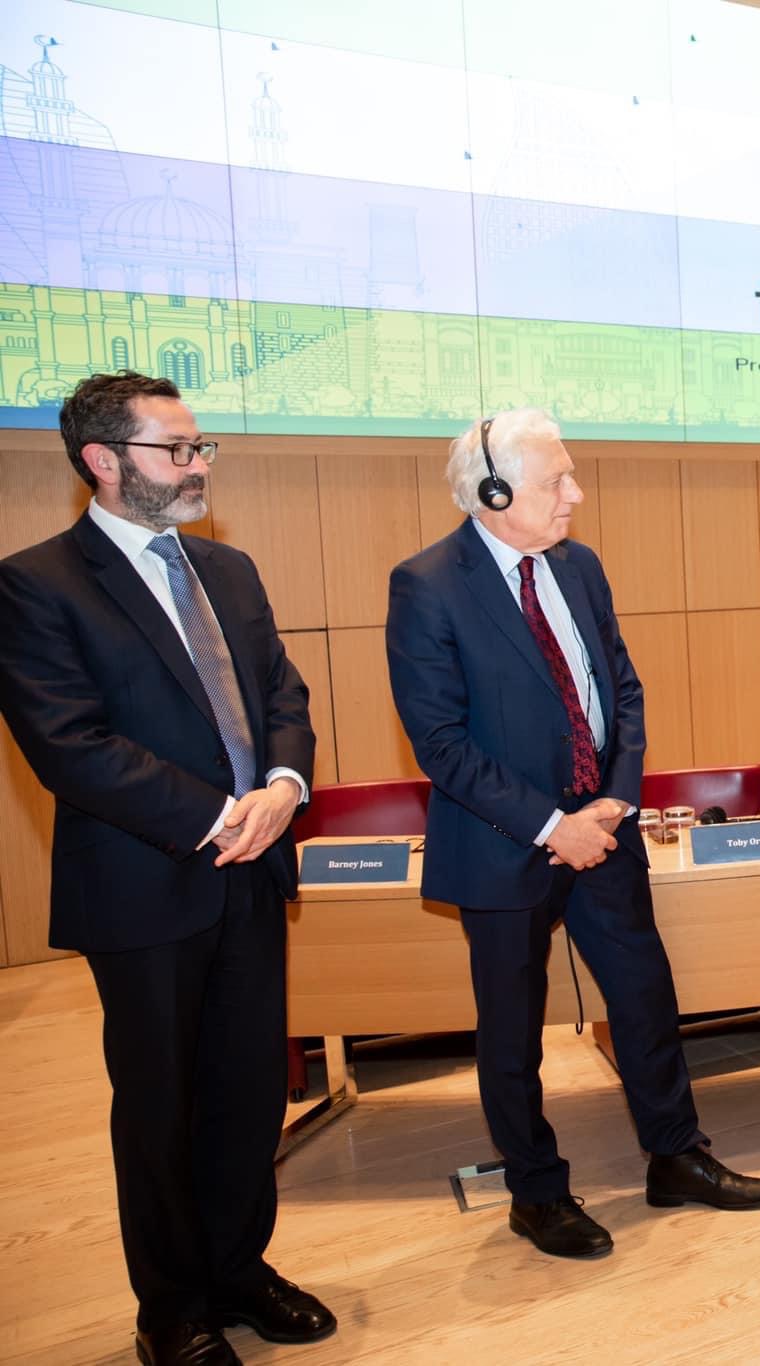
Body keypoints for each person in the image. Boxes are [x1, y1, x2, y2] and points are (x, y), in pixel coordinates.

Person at [385, 408, 760, 1261]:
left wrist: (616, 800)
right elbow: (439, 743)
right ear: (493, 494)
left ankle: (675, 1155)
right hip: (503, 841)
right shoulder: (427, 585)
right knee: (511, 1028)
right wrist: (549, 825)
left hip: (603, 828)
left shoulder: (580, 566)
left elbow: (622, 689)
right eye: (557, 479)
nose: (577, 494)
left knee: (644, 995)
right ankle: (536, 1194)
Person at [0, 371, 330, 1366]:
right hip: (145, 884)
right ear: (102, 461)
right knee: (160, 1105)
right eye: (175, 450)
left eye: (200, 448)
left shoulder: (228, 569)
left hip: (253, 871)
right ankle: (172, 1308)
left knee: (247, 1090)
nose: (197, 466)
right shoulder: (36, 584)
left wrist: (283, 783)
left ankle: (239, 1269)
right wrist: (221, 814)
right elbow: (71, 746)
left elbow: (282, 693)